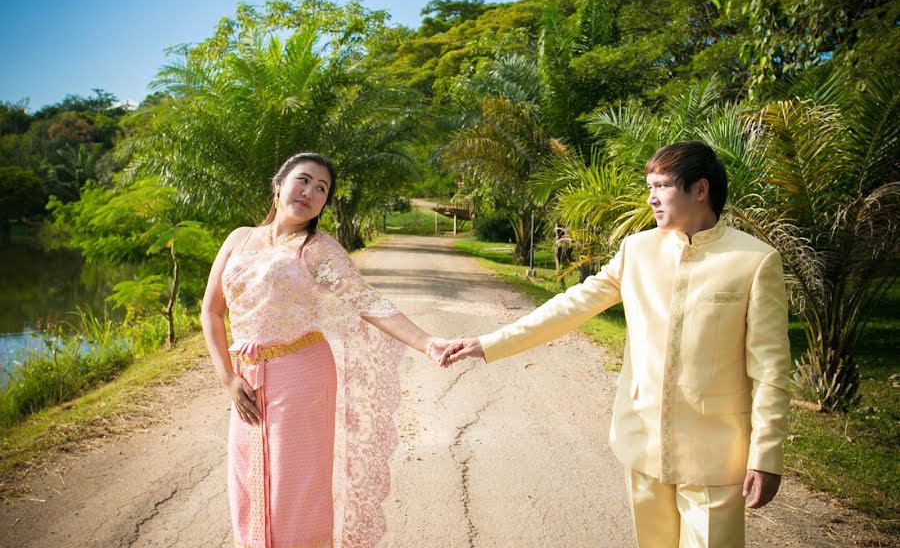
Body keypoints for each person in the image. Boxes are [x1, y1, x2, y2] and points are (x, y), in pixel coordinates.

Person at [442, 141, 792, 547]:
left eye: (661, 186)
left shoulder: (753, 260)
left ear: (700, 189)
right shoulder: (636, 250)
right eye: (650, 187)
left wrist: (766, 455)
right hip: (641, 441)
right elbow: (569, 307)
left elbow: (769, 368)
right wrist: (488, 343)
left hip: (716, 452)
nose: (651, 198)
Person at [201, 152, 448, 548]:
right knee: (247, 479)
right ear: (279, 184)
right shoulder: (238, 238)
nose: (311, 192)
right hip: (245, 378)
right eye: (304, 180)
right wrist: (227, 376)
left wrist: (429, 343)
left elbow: (369, 304)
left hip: (301, 377)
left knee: (295, 488)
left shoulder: (317, 249)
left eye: (322, 189)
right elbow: (211, 311)